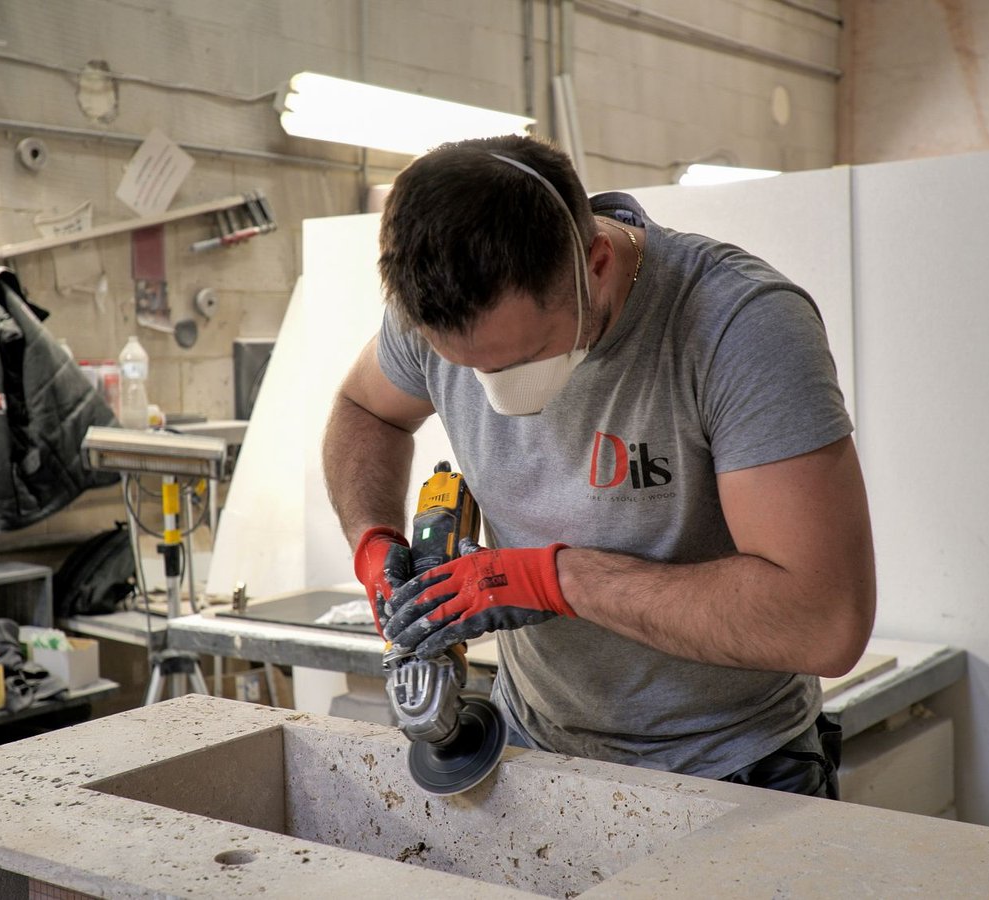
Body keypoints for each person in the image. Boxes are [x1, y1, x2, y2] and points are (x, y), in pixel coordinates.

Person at [322, 135, 875, 799]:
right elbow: (365, 410)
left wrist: (553, 580)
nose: (497, 393)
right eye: (468, 367)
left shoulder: (741, 327)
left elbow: (825, 621)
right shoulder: (437, 310)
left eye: (522, 358)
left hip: (733, 764)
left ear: (597, 263)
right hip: (535, 740)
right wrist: (371, 542)